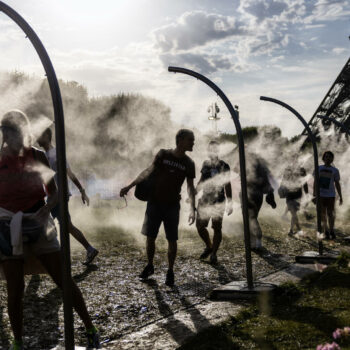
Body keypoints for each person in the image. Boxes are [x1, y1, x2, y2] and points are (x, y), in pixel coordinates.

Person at [0, 110, 100, 350]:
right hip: (7, 224)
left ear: (24, 132)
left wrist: (46, 210)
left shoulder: (37, 156)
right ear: (4, 134)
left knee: (62, 278)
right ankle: (18, 341)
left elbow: (55, 193)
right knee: (15, 288)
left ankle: (90, 327)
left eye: (17, 133)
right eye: (8, 133)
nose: (13, 140)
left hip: (38, 219)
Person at [120, 129, 196, 286]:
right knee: (150, 237)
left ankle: (170, 271)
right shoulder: (163, 154)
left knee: (172, 239)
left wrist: (193, 208)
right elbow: (148, 171)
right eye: (190, 140)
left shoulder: (189, 163)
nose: (193, 143)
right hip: (154, 203)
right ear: (180, 140)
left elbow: (190, 187)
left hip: (172, 206)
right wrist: (129, 186)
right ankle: (149, 265)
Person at [37, 128, 98, 265]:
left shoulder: (55, 154)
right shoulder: (44, 154)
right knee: (63, 225)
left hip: (59, 196)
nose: (37, 139)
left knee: (48, 224)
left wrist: (82, 190)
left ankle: (54, 255)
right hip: (53, 196)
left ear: (47, 136)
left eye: (39, 135)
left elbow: (69, 173)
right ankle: (87, 249)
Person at [195, 141, 233, 264]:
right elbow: (201, 181)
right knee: (200, 226)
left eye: (213, 149)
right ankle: (209, 246)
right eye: (209, 149)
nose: (210, 152)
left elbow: (227, 184)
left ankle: (214, 254)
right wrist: (193, 193)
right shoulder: (205, 164)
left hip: (219, 201)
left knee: (217, 228)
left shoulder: (224, 166)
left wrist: (230, 202)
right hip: (205, 200)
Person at [244, 153, 277, 250]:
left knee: (251, 218)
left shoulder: (252, 168)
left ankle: (257, 240)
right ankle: (253, 241)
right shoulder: (261, 169)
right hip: (256, 196)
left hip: (251, 195)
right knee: (251, 218)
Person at [314, 151, 342, 239]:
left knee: (330, 213)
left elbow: (337, 183)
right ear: (323, 158)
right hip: (321, 195)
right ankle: (326, 230)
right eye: (326, 157)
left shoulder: (335, 170)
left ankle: (332, 230)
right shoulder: (318, 168)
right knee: (322, 214)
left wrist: (340, 196)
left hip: (330, 195)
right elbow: (315, 181)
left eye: (330, 157)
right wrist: (315, 194)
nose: (328, 158)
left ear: (332, 159)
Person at [279, 166, 308, 235]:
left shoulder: (301, 169)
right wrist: (281, 189)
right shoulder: (288, 168)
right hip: (289, 195)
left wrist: (307, 194)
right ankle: (292, 230)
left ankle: (297, 229)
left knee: (293, 213)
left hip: (298, 195)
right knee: (293, 213)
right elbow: (283, 180)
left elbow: (305, 182)